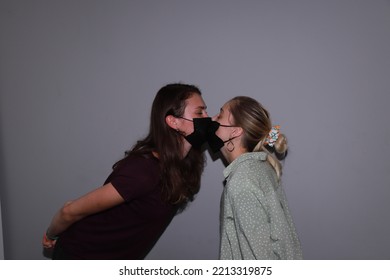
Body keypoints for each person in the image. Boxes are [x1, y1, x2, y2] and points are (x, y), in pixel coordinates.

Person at [42, 83, 211, 259]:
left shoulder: (186, 165)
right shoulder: (142, 170)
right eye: (200, 112)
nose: (208, 118)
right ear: (173, 121)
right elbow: (69, 211)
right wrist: (50, 235)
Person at [210, 96, 302, 260]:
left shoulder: (242, 181)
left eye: (220, 115)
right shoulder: (262, 168)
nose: (212, 119)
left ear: (235, 131)